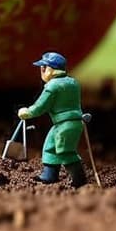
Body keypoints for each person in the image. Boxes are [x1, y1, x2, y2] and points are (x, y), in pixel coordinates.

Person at [17, 52, 86, 187]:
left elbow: (41, 106)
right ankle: (50, 175)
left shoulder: (52, 86)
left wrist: (27, 112)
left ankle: (79, 180)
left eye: (43, 68)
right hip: (71, 122)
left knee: (65, 151)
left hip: (64, 124)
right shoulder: (73, 82)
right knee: (50, 147)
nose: (41, 71)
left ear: (51, 69)